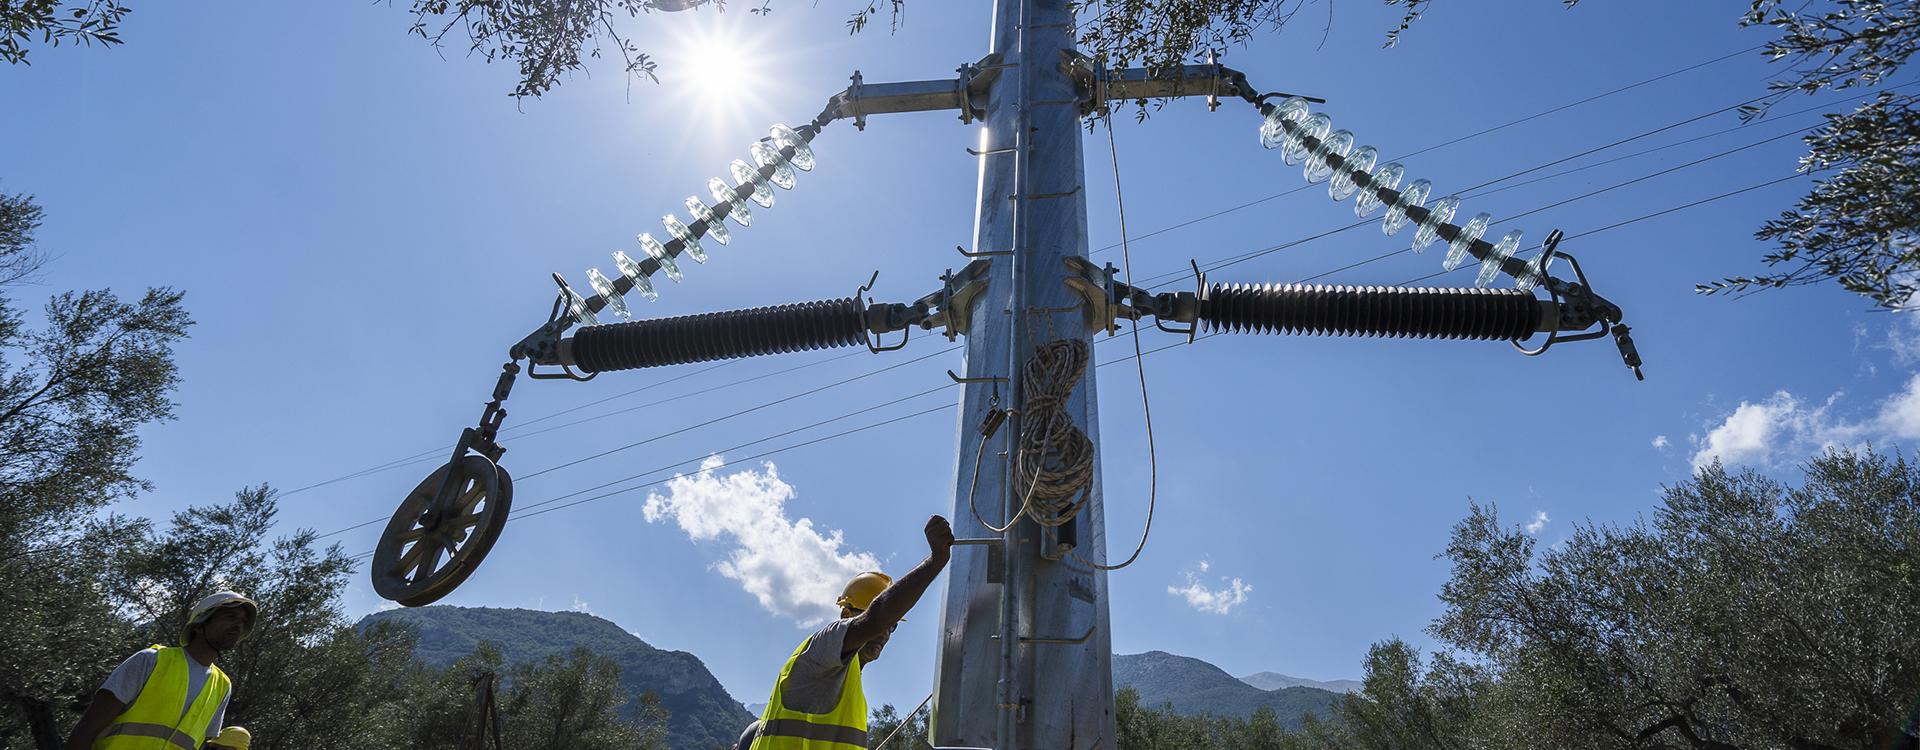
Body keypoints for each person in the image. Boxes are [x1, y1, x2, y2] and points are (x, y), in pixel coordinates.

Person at [736, 515, 954, 750]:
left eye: (893, 626)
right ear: (846, 615)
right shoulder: (819, 651)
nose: (885, 633)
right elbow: (877, 616)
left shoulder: (852, 690)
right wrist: (935, 562)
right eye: (884, 623)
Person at [63, 591, 258, 750]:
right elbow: (88, 727)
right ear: (200, 625)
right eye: (230, 617)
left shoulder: (222, 686)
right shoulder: (150, 660)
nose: (237, 625)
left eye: (242, 621)